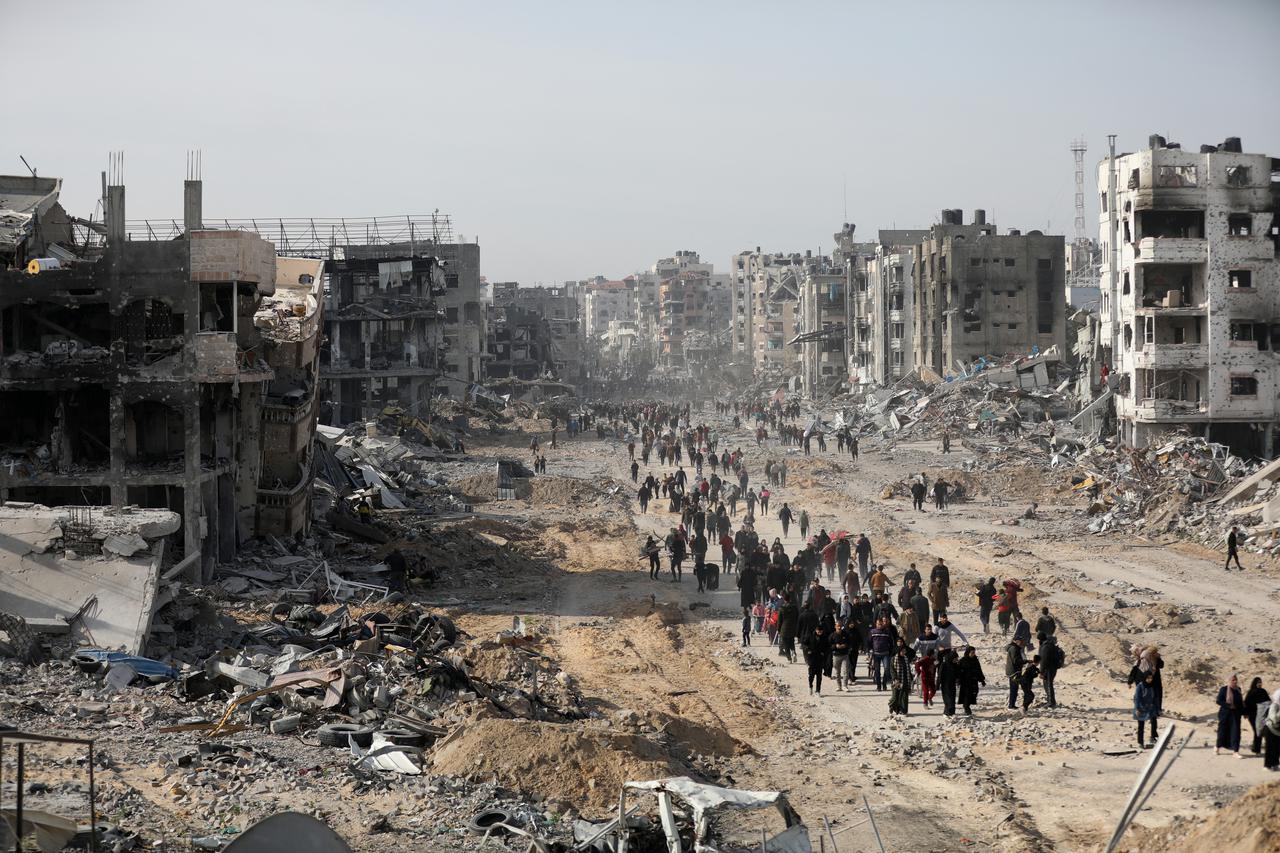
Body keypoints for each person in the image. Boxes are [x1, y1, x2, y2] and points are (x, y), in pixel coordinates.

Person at [1216, 674, 1245, 757]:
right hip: (1225, 714)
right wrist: (1228, 705)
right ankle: (1217, 746)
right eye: (1233, 680)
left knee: (1236, 732)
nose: (1235, 681)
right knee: (1222, 731)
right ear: (1229, 681)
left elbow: (1240, 703)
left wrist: (1244, 712)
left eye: (1236, 679)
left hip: (1235, 715)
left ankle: (1236, 751)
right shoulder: (1224, 689)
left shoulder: (1238, 690)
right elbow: (1218, 701)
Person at [1134, 670, 1159, 749]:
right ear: (1145, 678)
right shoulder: (1140, 686)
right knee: (1141, 726)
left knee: (1154, 722)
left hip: (1151, 707)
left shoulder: (1152, 685)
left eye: (1151, 678)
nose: (1149, 680)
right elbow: (1137, 698)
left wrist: (1157, 708)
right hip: (1141, 707)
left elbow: (1155, 697)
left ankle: (1153, 737)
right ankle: (1140, 742)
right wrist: (1137, 708)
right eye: (1148, 678)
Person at [1245, 677, 1269, 755]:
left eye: (1260, 682)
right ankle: (1256, 750)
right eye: (1258, 682)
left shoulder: (1263, 691)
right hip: (1252, 715)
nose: (1259, 683)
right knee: (1257, 732)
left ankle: (1256, 749)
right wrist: (1245, 713)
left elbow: (1268, 702)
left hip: (1262, 716)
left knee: (1260, 731)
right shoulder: (1251, 692)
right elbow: (1246, 703)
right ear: (1255, 683)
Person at [868, 618, 894, 691]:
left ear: (883, 623)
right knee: (877, 670)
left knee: (886, 669)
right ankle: (879, 686)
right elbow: (869, 642)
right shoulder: (872, 632)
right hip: (876, 654)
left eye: (881, 624)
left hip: (885, 653)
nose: (879, 625)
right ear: (876, 624)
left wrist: (890, 651)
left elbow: (891, 642)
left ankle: (884, 683)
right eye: (878, 624)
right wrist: (870, 650)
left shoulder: (887, 632)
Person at [959, 646, 985, 716]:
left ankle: (967, 705)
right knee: (967, 695)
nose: (973, 654)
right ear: (968, 652)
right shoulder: (963, 660)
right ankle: (966, 707)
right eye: (972, 653)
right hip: (965, 681)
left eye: (974, 652)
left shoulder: (975, 659)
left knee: (975, 692)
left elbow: (979, 669)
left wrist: (982, 680)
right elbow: (959, 672)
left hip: (974, 680)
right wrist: (958, 680)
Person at [804, 623, 830, 695]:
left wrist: (824, 653)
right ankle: (810, 686)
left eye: (821, 631)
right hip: (812, 658)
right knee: (811, 675)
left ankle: (818, 690)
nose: (819, 632)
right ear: (816, 630)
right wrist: (808, 650)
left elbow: (827, 647)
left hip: (820, 659)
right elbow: (805, 644)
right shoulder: (810, 636)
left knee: (819, 676)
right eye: (818, 631)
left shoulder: (824, 638)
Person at [1037, 631, 1061, 708]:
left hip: (1049, 669)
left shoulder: (1046, 646)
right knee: (1047, 683)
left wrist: (1041, 672)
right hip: (1051, 668)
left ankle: (1051, 702)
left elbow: (1044, 660)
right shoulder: (1048, 644)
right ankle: (1049, 700)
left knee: (1048, 684)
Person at [889, 642, 912, 715]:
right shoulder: (894, 659)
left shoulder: (905, 659)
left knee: (904, 697)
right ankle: (892, 706)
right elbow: (892, 670)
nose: (903, 653)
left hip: (905, 680)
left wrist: (910, 677)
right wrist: (895, 678)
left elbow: (908, 669)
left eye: (904, 651)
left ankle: (904, 711)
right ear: (899, 651)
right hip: (897, 681)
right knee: (895, 696)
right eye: (902, 651)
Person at [1005, 638, 1026, 710]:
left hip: (1013, 671)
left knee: (1014, 688)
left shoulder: (1013, 648)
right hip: (1014, 672)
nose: (1022, 644)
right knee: (1014, 689)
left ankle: (1012, 704)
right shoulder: (1014, 649)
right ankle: (1011, 705)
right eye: (1021, 642)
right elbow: (1016, 661)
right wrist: (1025, 661)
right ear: (1017, 641)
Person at [938, 648, 960, 716]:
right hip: (945, 685)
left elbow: (958, 675)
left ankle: (952, 713)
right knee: (948, 699)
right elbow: (940, 675)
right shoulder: (944, 665)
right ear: (951, 658)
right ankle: (946, 713)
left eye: (957, 658)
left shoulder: (955, 665)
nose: (956, 660)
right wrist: (937, 685)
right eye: (955, 658)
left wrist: (958, 681)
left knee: (952, 699)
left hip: (952, 685)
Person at [778, 595, 799, 662]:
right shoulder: (794, 608)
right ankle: (793, 652)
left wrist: (778, 629)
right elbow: (797, 617)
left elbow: (779, 621)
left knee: (786, 644)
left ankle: (789, 658)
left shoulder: (782, 608)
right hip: (792, 627)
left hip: (784, 628)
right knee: (791, 642)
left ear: (784, 600)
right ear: (790, 599)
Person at [1263, 687, 1280, 771]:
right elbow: (1274, 719)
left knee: (1277, 748)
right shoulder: (1274, 706)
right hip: (1270, 729)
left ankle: (1275, 764)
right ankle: (1267, 765)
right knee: (1270, 748)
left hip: (1277, 731)